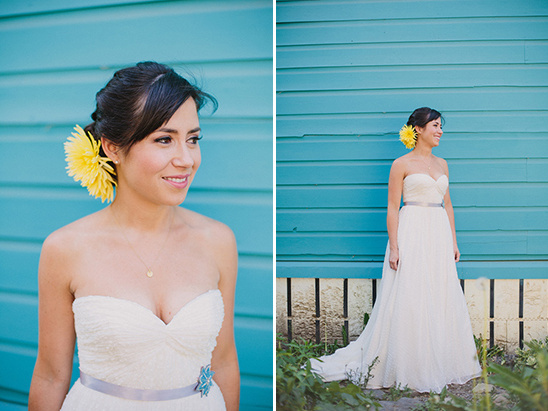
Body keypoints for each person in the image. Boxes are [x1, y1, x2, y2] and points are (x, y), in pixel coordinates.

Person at [28, 61, 239, 410]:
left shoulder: (218, 241)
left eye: (193, 139)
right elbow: (51, 376)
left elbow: (226, 362)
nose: (186, 159)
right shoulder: (64, 248)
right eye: (164, 140)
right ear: (112, 147)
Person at [310, 107, 481, 393]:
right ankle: (407, 362)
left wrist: (453, 241)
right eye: (435, 126)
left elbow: (448, 204)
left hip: (438, 233)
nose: (440, 131)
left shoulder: (443, 164)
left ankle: (439, 358)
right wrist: (395, 246)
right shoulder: (400, 164)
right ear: (419, 130)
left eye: (441, 126)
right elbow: (392, 207)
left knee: (440, 291)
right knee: (410, 292)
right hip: (411, 229)